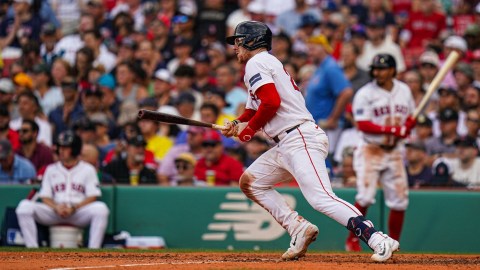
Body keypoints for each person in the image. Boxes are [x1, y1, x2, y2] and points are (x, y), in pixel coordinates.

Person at [223, 21, 399, 262]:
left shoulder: (257, 62)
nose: (235, 46)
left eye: (239, 40)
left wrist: (249, 130)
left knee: (320, 198)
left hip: (298, 137)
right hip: (287, 142)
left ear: (252, 41)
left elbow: (271, 103)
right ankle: (298, 227)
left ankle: (377, 238)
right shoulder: (263, 63)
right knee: (251, 182)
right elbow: (255, 109)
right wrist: (237, 123)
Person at [348, 54, 416, 252]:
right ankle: (352, 241)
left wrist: (409, 124)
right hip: (370, 148)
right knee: (365, 197)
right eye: (375, 69)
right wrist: (394, 130)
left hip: (394, 151)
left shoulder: (404, 90)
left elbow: (411, 115)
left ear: (393, 70)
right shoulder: (365, 93)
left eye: (382, 69)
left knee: (400, 200)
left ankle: (393, 242)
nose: (378, 72)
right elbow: (363, 124)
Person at [15, 130, 109, 248]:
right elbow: (45, 196)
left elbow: (93, 196)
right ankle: (32, 249)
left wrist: (74, 208)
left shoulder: (88, 169)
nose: (61, 150)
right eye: (60, 147)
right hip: (55, 212)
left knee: (101, 209)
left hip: (78, 212)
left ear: (74, 149)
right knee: (24, 207)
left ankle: (93, 250)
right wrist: (56, 207)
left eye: (65, 148)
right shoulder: (51, 169)